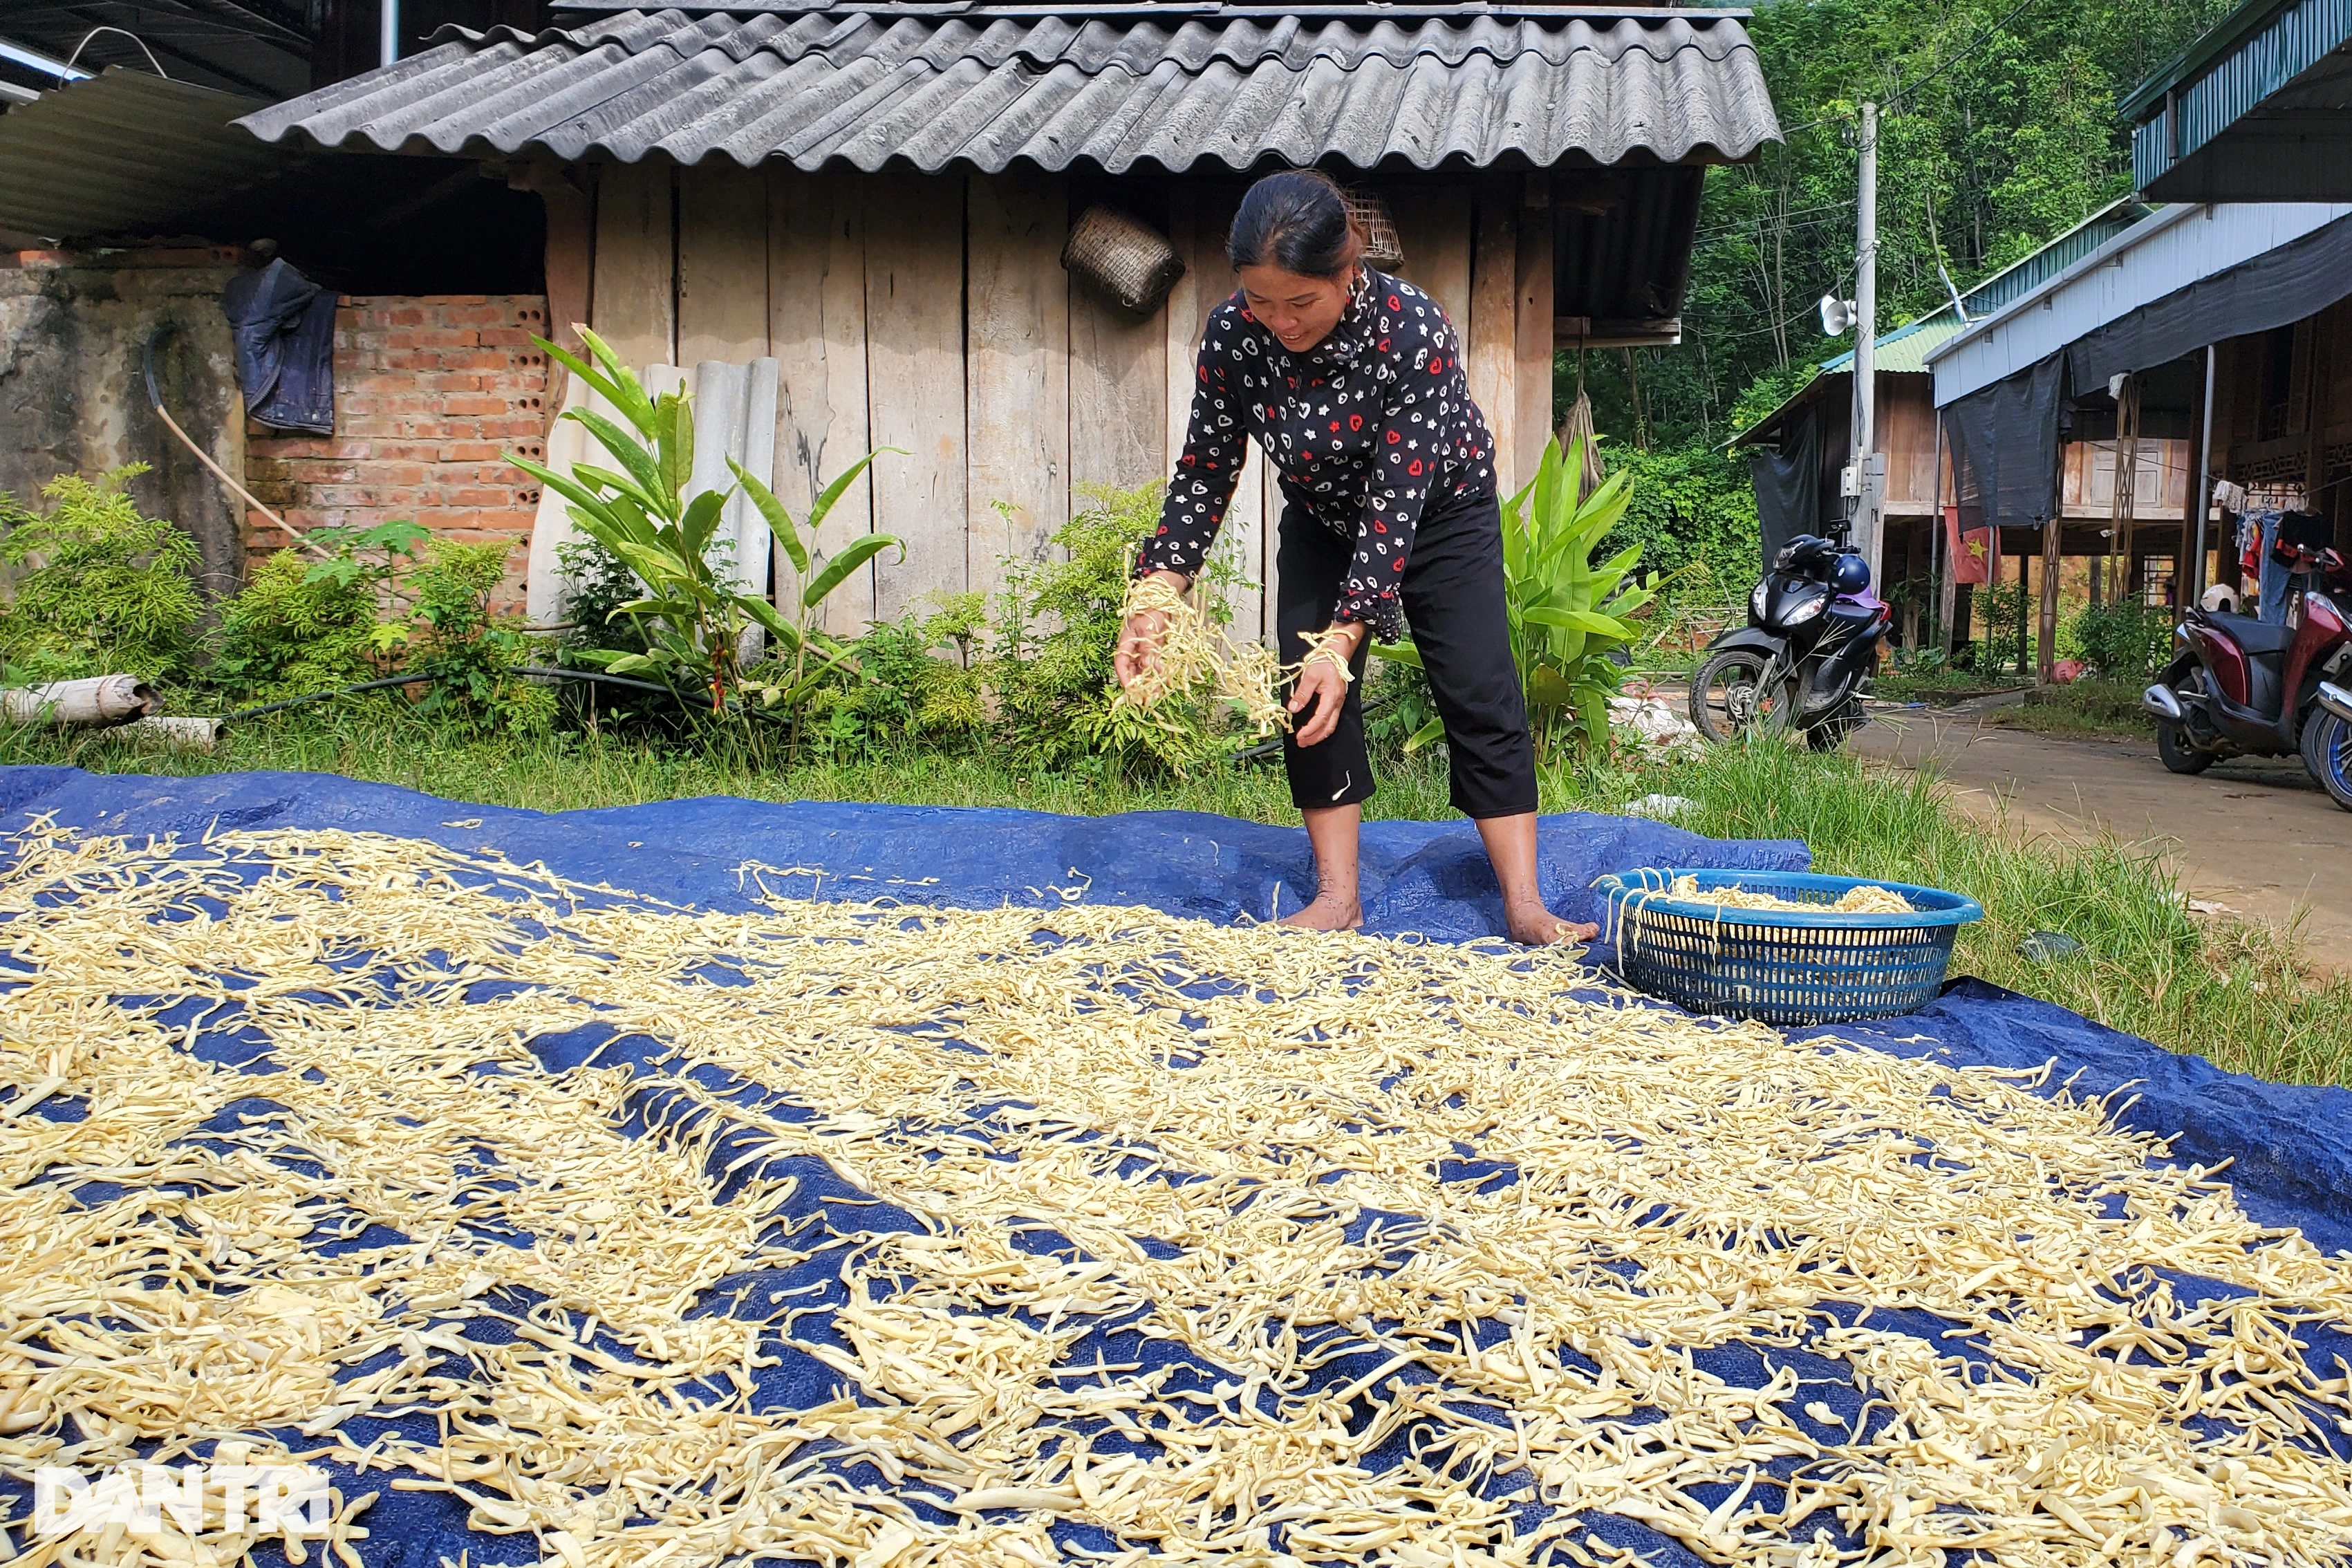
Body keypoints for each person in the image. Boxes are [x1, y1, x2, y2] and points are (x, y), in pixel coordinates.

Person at [1113, 169, 1595, 946]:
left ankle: (1525, 904)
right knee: (1305, 693)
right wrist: (1157, 594)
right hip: (1321, 519)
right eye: (1262, 302)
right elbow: (1205, 468)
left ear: (1349, 271)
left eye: (1300, 302)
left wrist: (1345, 642)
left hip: (1439, 513)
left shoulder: (1413, 331)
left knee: (1478, 688)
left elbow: (1396, 504)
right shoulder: (1233, 335)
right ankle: (1338, 897)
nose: (1280, 322)